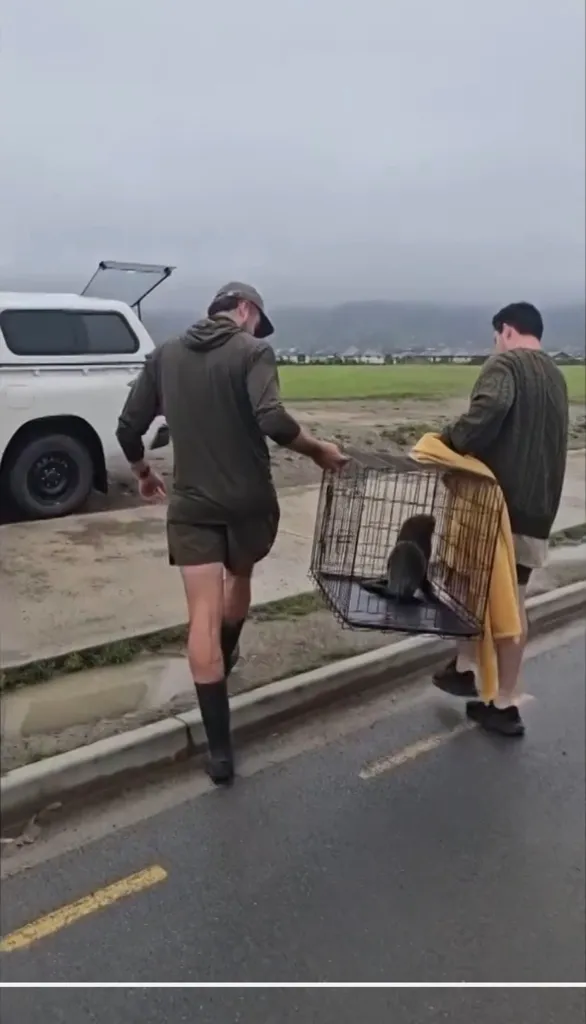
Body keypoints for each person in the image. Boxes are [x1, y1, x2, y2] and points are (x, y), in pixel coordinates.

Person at [116, 282, 348, 783]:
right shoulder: (254, 351)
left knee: (200, 616)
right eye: (257, 320)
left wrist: (143, 472)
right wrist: (319, 451)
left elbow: (126, 428)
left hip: (193, 505)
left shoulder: (164, 356)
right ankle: (231, 644)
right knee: (238, 578)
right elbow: (272, 419)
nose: (257, 330)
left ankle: (221, 754)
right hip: (249, 504)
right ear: (245, 309)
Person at [432, 301, 569, 736]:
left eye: (495, 337)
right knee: (514, 604)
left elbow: (487, 413)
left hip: (493, 508)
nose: (494, 345)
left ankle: (466, 668)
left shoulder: (504, 365)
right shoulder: (557, 376)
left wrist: (449, 441)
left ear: (506, 330)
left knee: (460, 585)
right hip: (537, 509)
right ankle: (501, 697)